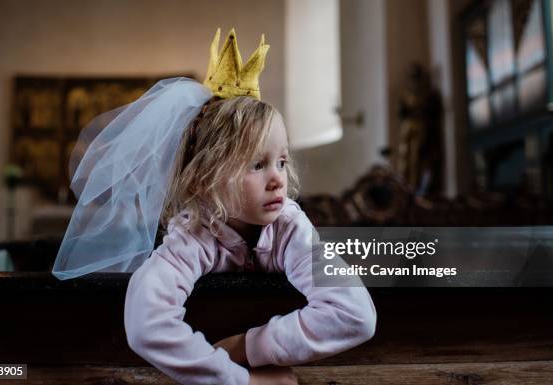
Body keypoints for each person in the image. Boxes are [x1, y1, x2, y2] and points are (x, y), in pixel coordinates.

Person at [53, 28, 376, 385]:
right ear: (203, 180)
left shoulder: (289, 227)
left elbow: (355, 314)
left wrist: (247, 347)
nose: (277, 179)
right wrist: (239, 380)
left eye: (281, 162)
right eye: (256, 164)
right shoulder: (192, 237)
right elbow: (147, 325)